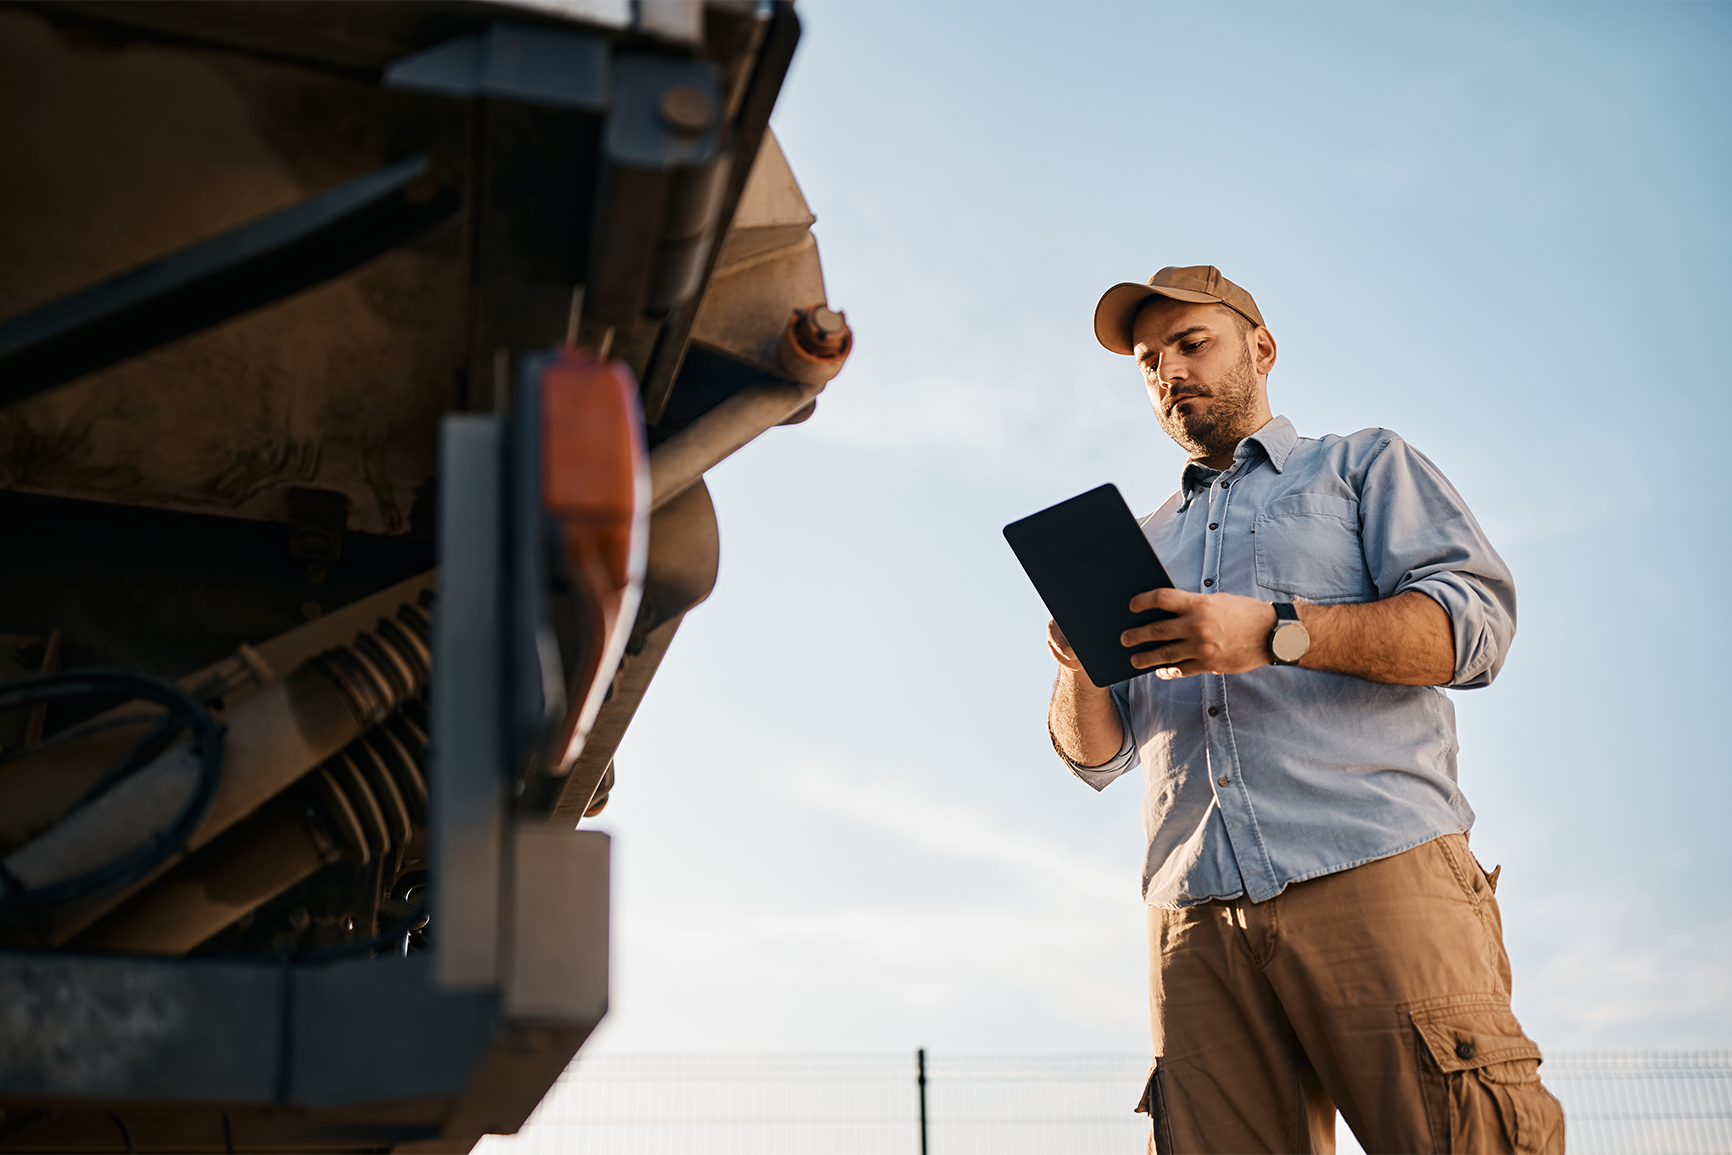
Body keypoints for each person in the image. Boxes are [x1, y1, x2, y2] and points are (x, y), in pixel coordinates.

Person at [1048, 266, 1565, 1154]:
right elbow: (1096, 758)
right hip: (1195, 920)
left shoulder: (1363, 466)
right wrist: (1078, 665)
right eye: (1148, 360)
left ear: (1261, 347)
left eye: (1191, 343)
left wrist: (1274, 633)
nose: (1169, 370)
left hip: (1375, 865)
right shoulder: (1144, 539)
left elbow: (1474, 628)